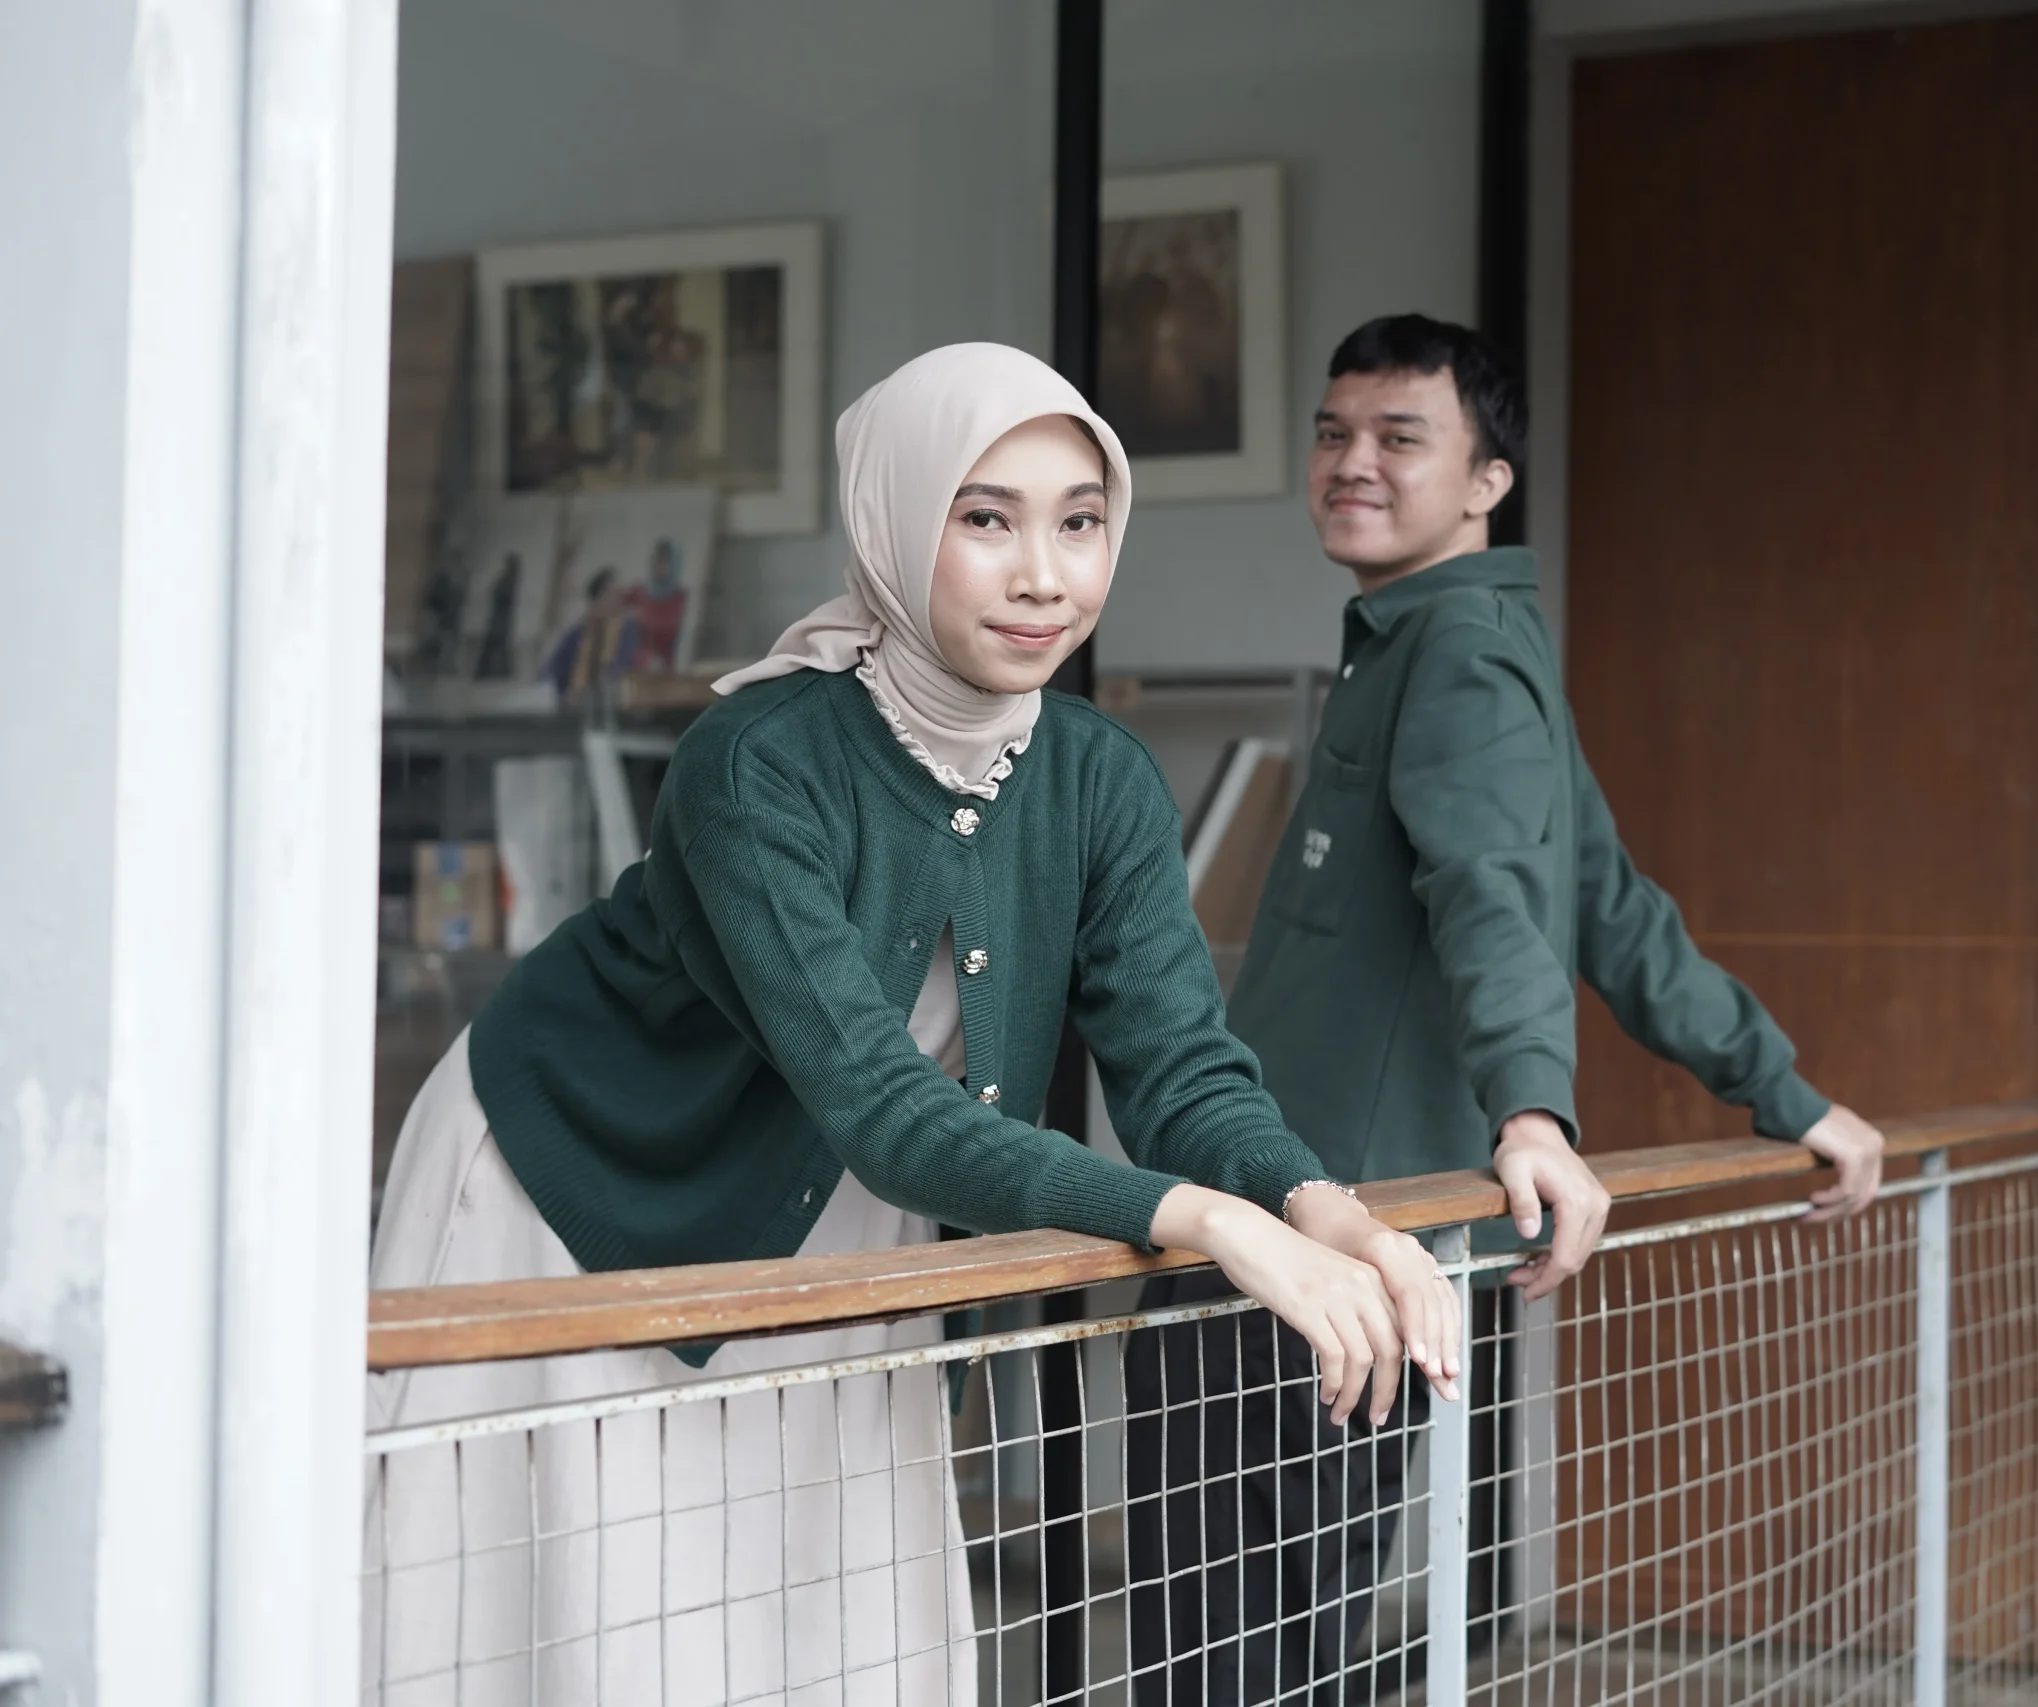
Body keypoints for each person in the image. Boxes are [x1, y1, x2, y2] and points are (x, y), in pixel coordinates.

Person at [366, 342, 1463, 1705]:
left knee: (819, 1625)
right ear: (893, 522)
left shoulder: (1095, 778)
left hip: (842, 1207)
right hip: (583, 1188)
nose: (1044, 576)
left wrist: (1325, 1212)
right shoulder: (756, 760)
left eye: (1080, 522)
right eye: (987, 518)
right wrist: (1215, 1226)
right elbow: (885, 1109)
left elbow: (1182, 1068)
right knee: (586, 1626)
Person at [1124, 315, 1889, 1703]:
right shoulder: (1456, 639)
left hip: (1322, 1233)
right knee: (1274, 1629)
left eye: (1399, 438)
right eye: (1334, 433)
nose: (1352, 463)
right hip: (1320, 1220)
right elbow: (1609, 904)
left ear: (1488, 480)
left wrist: (1533, 1111)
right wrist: (1784, 1089)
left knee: (1235, 1644)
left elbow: (1497, 897)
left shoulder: (1460, 656)